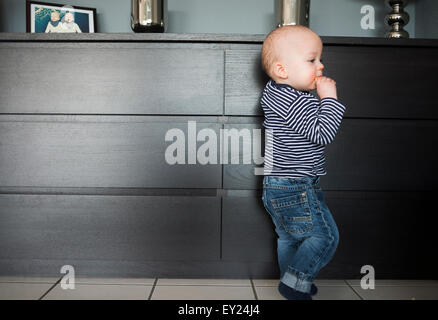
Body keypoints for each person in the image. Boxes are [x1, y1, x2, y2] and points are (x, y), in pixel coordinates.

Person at [260, 25, 346, 300]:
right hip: (295, 187)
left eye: (320, 59)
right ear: (282, 70)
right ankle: (295, 283)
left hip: (276, 185)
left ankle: (296, 282)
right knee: (326, 237)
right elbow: (322, 133)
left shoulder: (276, 95)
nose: (320, 66)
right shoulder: (294, 100)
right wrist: (329, 98)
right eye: (312, 60)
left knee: (289, 238)